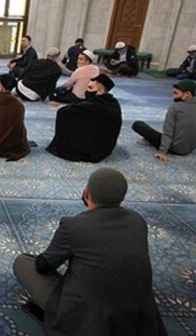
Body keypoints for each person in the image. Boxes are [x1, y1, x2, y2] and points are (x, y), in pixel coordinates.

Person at [13, 167, 167, 336]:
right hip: (136, 319)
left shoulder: (74, 226)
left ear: (87, 192)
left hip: (87, 322)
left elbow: (43, 266)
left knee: (24, 263)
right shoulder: (138, 221)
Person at [46, 74, 122, 163]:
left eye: (90, 88)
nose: (87, 91)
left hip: (93, 151)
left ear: (101, 91)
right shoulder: (112, 102)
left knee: (66, 115)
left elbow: (64, 112)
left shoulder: (95, 106)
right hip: (106, 148)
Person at [132, 79, 196, 163]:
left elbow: (168, 132)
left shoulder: (175, 107)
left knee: (138, 125)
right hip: (189, 149)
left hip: (174, 148)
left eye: (176, 93)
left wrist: (162, 152)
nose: (173, 95)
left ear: (187, 94)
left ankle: (151, 141)